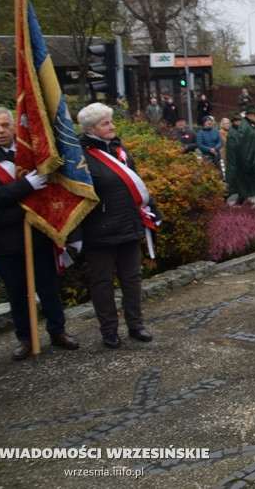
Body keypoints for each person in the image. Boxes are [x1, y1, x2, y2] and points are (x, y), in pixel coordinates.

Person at [0, 106, 79, 360]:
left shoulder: (27, 154)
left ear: (13, 126)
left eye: (5, 125)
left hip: (38, 236)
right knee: (17, 293)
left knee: (48, 286)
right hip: (6, 242)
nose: (1, 131)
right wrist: (25, 186)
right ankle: (26, 338)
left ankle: (57, 331)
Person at [76, 103, 162, 348]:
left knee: (132, 279)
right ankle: (109, 331)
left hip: (129, 224)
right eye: (106, 123)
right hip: (99, 230)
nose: (112, 126)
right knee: (102, 283)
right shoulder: (81, 156)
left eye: (111, 121)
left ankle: (136, 325)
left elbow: (137, 185)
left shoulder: (120, 151)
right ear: (91, 129)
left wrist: (153, 210)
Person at [228, 105, 255, 206]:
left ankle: (239, 203)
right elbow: (243, 145)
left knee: (250, 185)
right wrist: (250, 159)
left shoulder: (252, 125)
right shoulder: (244, 127)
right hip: (253, 161)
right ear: (249, 115)